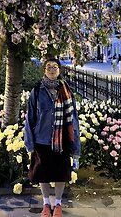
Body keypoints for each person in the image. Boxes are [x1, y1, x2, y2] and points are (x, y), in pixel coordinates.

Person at [24, 57, 81, 217]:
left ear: (59, 70)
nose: (51, 69)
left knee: (60, 173)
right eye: (48, 67)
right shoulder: (37, 90)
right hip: (41, 139)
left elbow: (73, 118)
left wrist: (75, 145)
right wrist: (29, 142)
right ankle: (46, 204)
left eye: (54, 67)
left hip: (61, 140)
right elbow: (30, 118)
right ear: (44, 70)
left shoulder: (67, 91)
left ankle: (57, 203)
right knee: (43, 173)